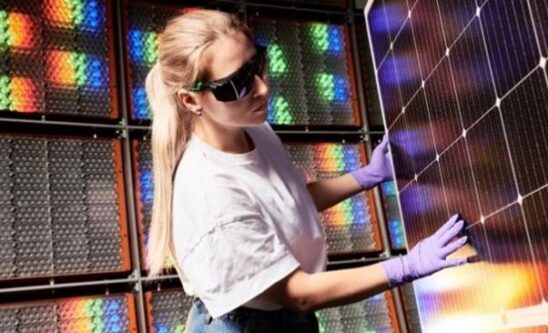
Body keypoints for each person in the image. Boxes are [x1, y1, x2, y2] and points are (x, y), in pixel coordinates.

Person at [144, 9, 469, 333]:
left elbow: (287, 201)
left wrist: (367, 176)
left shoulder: (249, 124)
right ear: (190, 100)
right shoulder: (210, 196)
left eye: (257, 64)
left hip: (284, 314)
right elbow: (299, 293)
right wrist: (406, 267)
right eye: (237, 84)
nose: (262, 88)